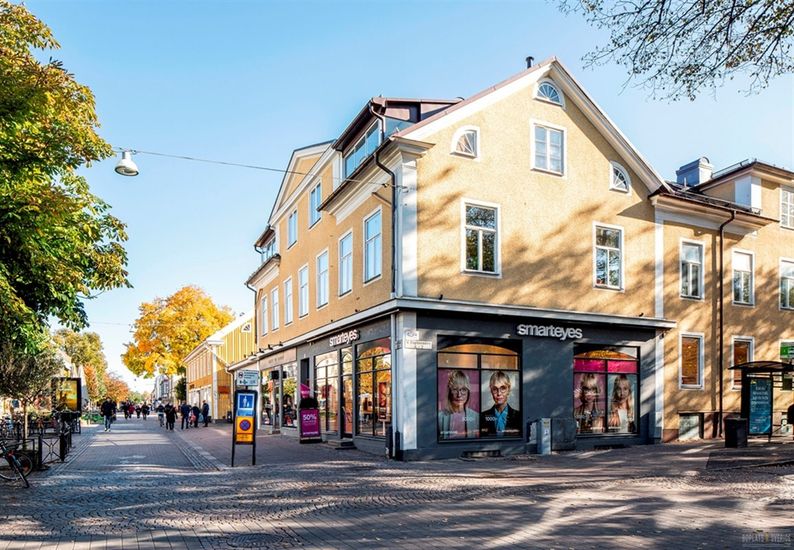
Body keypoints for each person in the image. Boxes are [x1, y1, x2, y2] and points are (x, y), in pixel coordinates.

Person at [437, 370, 479, 439]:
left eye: (463, 389)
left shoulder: (477, 417)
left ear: (468, 393)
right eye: (455, 389)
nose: (459, 395)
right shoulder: (439, 417)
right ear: (449, 392)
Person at [480, 371, 522, 437]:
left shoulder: (519, 416)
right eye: (495, 389)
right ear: (491, 390)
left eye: (503, 388)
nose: (499, 393)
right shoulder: (482, 417)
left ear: (508, 389)